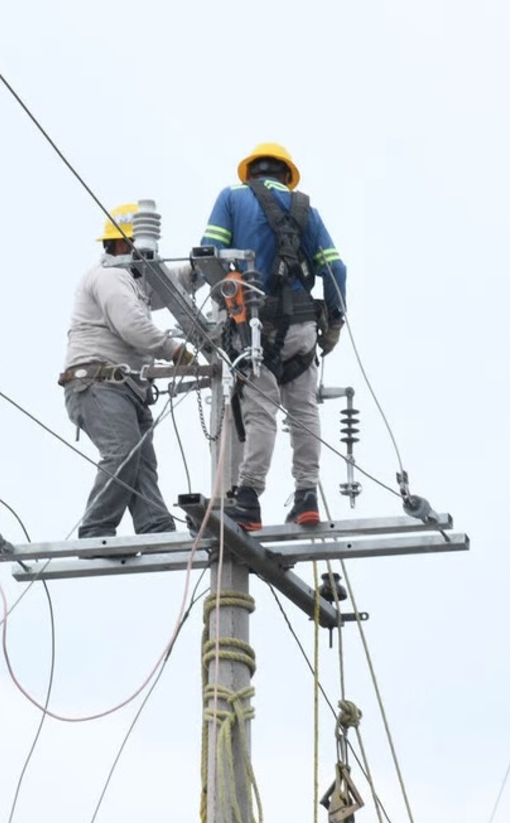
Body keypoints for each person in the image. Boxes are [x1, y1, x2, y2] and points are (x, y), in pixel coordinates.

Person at [201, 142, 347, 531]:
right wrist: (333, 323)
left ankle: (248, 497)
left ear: (250, 173)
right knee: (303, 411)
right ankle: (306, 497)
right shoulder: (306, 210)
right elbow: (337, 269)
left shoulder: (232, 197)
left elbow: (208, 255)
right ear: (286, 175)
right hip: (301, 328)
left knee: (259, 410)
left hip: (254, 324)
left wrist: (222, 302)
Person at [59, 202, 197, 539]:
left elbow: (165, 288)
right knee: (122, 451)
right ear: (122, 244)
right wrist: (174, 350)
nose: (144, 256)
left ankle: (154, 524)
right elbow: (132, 325)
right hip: (98, 385)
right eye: (138, 245)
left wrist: (197, 272)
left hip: (124, 389)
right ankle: (96, 528)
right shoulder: (109, 277)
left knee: (141, 462)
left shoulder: (130, 281)